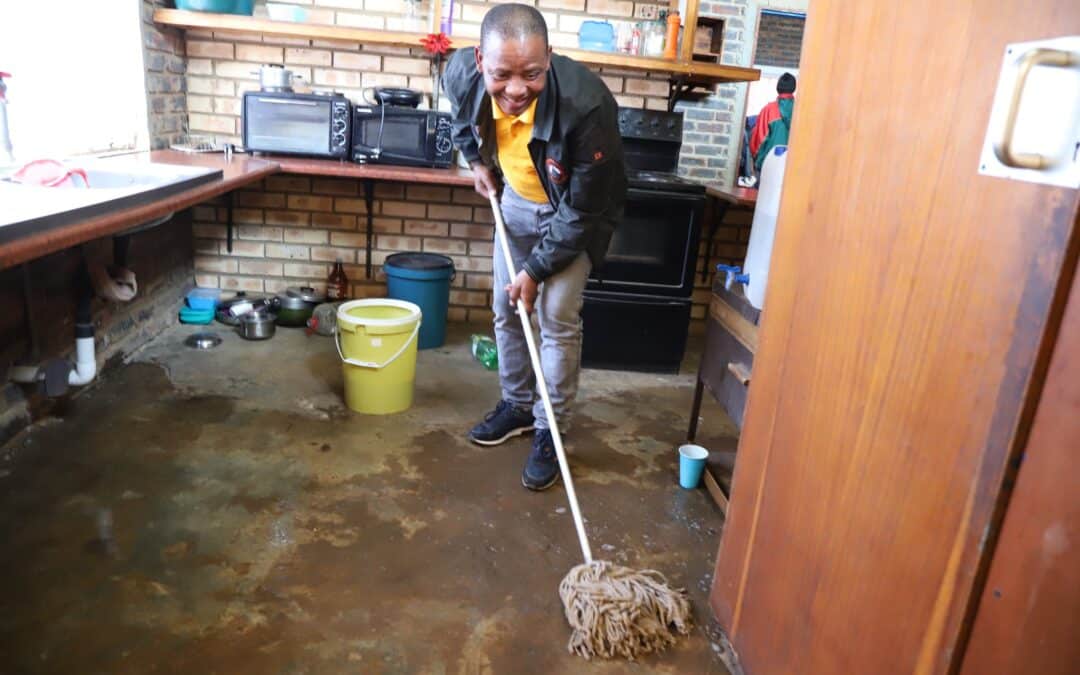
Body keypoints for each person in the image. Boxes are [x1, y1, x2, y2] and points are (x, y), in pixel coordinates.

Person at [442, 3, 626, 491]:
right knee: (507, 310)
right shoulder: (462, 71)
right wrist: (476, 161)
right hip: (517, 201)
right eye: (502, 75)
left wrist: (536, 272)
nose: (517, 89)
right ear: (481, 62)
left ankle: (551, 428)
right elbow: (462, 116)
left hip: (572, 214)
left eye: (533, 74)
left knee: (556, 317)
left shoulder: (588, 107)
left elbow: (583, 212)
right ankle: (518, 405)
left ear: (550, 58)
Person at [749, 72, 796, 172]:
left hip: (769, 166)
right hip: (793, 169)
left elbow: (758, 141)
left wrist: (757, 163)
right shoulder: (801, 111)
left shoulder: (769, 110)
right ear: (794, 88)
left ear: (778, 87)